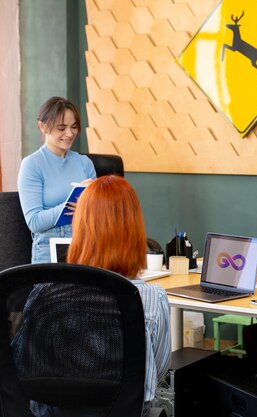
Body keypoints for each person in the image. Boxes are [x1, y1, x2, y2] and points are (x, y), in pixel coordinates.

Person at [67, 175, 171, 416]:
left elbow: (24, 363)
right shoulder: (150, 298)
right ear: (133, 231)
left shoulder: (45, 292)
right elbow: (160, 369)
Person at [17, 96, 96, 263]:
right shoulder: (32, 164)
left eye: (74, 127)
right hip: (48, 250)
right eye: (61, 128)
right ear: (42, 127)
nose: (69, 134)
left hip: (85, 244)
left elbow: (98, 216)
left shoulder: (84, 163)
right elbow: (34, 222)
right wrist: (70, 205)